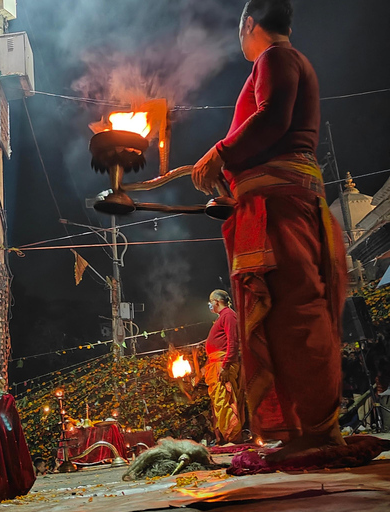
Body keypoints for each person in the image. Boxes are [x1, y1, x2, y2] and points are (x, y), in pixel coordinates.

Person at [191, 0, 347, 461]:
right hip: (278, 203)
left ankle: (316, 430)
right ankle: (303, 430)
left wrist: (220, 152)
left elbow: (273, 118)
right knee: (284, 314)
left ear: (248, 23)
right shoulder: (282, 59)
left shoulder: (274, 58)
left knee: (295, 311)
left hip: (283, 208)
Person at [203, 290, 244, 444]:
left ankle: (232, 438)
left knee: (225, 400)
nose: (209, 305)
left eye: (210, 301)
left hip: (223, 364)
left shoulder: (228, 315)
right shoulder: (223, 317)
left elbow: (233, 342)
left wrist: (225, 366)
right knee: (219, 402)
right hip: (216, 364)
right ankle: (226, 438)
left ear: (217, 301)